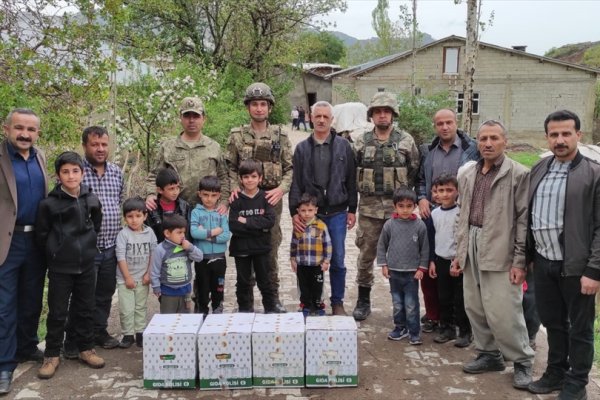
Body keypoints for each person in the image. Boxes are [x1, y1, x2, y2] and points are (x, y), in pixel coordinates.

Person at [453, 120, 534, 390]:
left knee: (504, 309)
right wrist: (459, 250)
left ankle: (522, 360)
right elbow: (461, 215)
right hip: (472, 243)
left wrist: (520, 260)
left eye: (494, 138)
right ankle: (489, 354)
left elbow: (524, 221)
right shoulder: (467, 174)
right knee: (474, 306)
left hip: (501, 246)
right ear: (477, 142)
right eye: (483, 138)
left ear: (505, 142)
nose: (488, 143)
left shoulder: (519, 174)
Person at [526, 110, 600, 400]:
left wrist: (594, 270)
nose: (560, 140)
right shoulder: (540, 169)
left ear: (578, 135)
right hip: (544, 263)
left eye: (566, 133)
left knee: (581, 328)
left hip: (577, 267)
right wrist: (527, 257)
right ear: (546, 137)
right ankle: (555, 372)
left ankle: (576, 383)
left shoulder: (594, 174)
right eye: (554, 134)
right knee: (553, 323)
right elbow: (529, 217)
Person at [36, 151, 105, 379]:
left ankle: (86, 348)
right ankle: (52, 355)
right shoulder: (49, 204)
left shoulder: (91, 199)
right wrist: (54, 253)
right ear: (58, 175)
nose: (71, 175)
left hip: (86, 264)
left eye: (75, 171)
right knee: (57, 312)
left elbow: (95, 225)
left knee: (85, 308)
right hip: (60, 268)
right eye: (65, 171)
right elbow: (42, 234)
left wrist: (88, 248)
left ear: (82, 174)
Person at [351, 92, 420, 321]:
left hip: (398, 212)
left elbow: (413, 171)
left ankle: (401, 303)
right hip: (369, 211)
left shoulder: (406, 141)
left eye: (386, 111)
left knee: (402, 257)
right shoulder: (360, 141)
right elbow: (353, 173)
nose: (382, 115)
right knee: (366, 256)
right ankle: (363, 299)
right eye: (378, 111)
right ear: (371, 115)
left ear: (393, 115)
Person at [225, 82, 292, 313]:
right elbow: (230, 167)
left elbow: (290, 168)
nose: (259, 108)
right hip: (243, 199)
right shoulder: (236, 136)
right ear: (248, 107)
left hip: (270, 199)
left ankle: (271, 298)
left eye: (263, 104)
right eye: (254, 104)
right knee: (244, 246)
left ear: (270, 108)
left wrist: (281, 189)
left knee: (270, 248)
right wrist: (235, 188)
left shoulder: (280, 135)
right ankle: (245, 301)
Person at [289, 100, 357, 316]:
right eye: (317, 116)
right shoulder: (301, 148)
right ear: (310, 117)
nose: (320, 120)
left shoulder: (343, 146)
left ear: (331, 120)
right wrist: (293, 212)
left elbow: (351, 179)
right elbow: (296, 182)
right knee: (307, 261)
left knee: (336, 259)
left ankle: (337, 302)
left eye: (325, 117)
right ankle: (309, 302)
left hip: (337, 212)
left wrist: (352, 209)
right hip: (310, 215)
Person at [63, 126, 124, 358]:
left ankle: (99, 331)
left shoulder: (117, 172)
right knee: (80, 295)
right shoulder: (77, 172)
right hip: (85, 248)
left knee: (104, 293)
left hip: (111, 245)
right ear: (85, 146)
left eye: (104, 144)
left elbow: (118, 203)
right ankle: (72, 339)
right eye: (95, 144)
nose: (100, 149)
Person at [416, 108, 479, 332]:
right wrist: (422, 198)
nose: (444, 127)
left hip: (462, 213)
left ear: (456, 123)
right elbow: (421, 179)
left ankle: (460, 321)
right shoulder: (427, 150)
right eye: (440, 123)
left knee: (459, 267)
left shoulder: (471, 149)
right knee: (431, 263)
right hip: (432, 213)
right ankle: (436, 315)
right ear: (435, 126)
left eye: (449, 122)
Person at [0, 108, 48, 395]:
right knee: (5, 306)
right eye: (19, 128)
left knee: (31, 300)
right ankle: (5, 365)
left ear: (37, 133)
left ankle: (28, 346)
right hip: (8, 242)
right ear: (6, 129)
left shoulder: (40, 157)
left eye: (31, 130)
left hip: (36, 242)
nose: (25, 134)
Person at [146, 96, 229, 211]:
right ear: (180, 118)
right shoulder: (168, 147)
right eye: (187, 116)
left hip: (207, 212)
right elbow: (154, 176)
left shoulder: (214, 147)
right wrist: (151, 195)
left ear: (203, 118)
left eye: (196, 116)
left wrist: (224, 202)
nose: (191, 120)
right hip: (175, 212)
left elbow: (223, 178)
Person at [377, 188, 429, 345]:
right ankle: (400, 327)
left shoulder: (419, 226)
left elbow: (425, 248)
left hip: (412, 273)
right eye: (401, 206)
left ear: (414, 206)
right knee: (397, 303)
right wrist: (384, 265)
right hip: (394, 272)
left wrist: (421, 268)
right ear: (395, 207)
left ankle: (414, 331)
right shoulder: (389, 225)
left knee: (411, 304)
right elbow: (381, 246)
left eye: (409, 206)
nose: (405, 210)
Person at [427, 174, 472, 348]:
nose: (445, 194)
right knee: (443, 297)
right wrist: (432, 261)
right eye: (441, 190)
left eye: (449, 190)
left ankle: (465, 331)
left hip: (457, 262)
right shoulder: (435, 214)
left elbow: (462, 238)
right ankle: (447, 328)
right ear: (436, 193)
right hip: (441, 260)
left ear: (457, 191)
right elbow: (433, 238)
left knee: (460, 299)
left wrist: (458, 260)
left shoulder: (461, 212)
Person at [115, 197, 157, 348]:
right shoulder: (123, 234)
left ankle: (140, 332)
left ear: (145, 216)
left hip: (143, 278)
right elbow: (120, 256)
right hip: (125, 279)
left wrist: (149, 274)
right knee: (126, 308)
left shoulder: (150, 232)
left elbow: (154, 252)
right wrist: (127, 277)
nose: (134, 220)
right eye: (130, 216)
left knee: (140, 306)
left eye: (138, 216)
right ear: (125, 217)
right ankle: (127, 334)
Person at [190, 176, 231, 316]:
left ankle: (218, 309)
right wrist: (213, 232)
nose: (209, 199)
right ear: (199, 194)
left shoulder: (221, 214)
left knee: (218, 286)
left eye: (213, 195)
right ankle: (202, 312)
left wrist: (207, 237)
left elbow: (226, 235)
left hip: (220, 259)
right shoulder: (196, 212)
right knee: (203, 287)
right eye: (206, 195)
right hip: (202, 258)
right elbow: (194, 232)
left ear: (219, 195)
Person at [150, 214, 203, 314]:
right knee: (167, 318)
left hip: (185, 291)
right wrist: (156, 286)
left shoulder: (186, 246)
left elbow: (199, 257)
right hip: (168, 292)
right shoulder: (160, 249)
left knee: (185, 319)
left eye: (184, 232)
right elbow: (155, 270)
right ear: (167, 233)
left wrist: (190, 247)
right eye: (179, 232)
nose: (183, 235)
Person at [290, 193, 332, 316]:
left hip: (317, 264)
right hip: (302, 263)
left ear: (316, 210)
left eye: (310, 210)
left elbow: (327, 244)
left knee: (317, 285)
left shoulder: (321, 226)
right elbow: (293, 243)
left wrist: (326, 261)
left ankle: (318, 304)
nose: (306, 213)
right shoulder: (298, 226)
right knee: (303, 286)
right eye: (303, 210)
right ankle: (305, 305)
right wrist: (293, 259)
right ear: (298, 211)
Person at [147, 168, 191, 243]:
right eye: (171, 189)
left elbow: (188, 233)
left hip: (180, 250)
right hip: (159, 250)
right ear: (160, 190)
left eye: (177, 188)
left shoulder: (184, 206)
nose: (175, 192)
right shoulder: (152, 208)